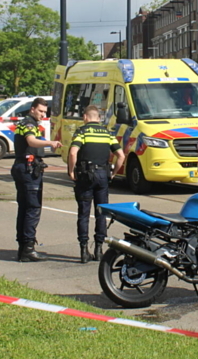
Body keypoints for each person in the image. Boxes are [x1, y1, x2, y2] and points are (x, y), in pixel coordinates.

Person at [67, 105, 125, 263]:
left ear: (85, 117)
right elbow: (120, 155)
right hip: (103, 175)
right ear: (98, 118)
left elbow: (73, 152)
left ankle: (84, 250)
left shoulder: (82, 132)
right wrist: (113, 173)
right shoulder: (107, 133)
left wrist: (71, 171)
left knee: (84, 213)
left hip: (85, 175)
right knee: (101, 213)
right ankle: (99, 249)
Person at [12, 96, 62, 262]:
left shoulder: (27, 123)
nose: (42, 114)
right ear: (32, 108)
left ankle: (23, 247)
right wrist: (50, 143)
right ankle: (28, 249)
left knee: (25, 208)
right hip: (28, 169)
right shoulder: (28, 124)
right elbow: (31, 141)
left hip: (23, 167)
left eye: (45, 112)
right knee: (32, 209)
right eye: (40, 111)